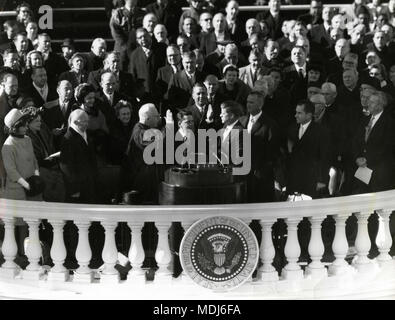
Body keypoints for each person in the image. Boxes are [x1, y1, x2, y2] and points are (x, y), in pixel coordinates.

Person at [239, 91, 279, 203]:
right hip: (243, 176)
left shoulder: (270, 124)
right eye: (247, 102)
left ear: (260, 104)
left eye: (251, 102)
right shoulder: (241, 121)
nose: (248, 105)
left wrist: (261, 170)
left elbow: (272, 152)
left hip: (261, 177)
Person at [286, 99, 331, 198]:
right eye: (296, 112)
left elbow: (325, 157)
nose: (295, 115)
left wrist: (321, 180)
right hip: (294, 180)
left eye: (299, 113)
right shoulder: (291, 129)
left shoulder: (321, 132)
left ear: (309, 114)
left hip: (312, 180)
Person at [22, 107, 66, 203]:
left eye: (40, 120)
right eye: (36, 121)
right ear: (28, 123)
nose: (40, 123)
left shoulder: (42, 131)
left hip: (52, 169)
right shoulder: (26, 138)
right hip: (41, 173)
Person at [60, 109, 98, 204]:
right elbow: (66, 166)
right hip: (78, 188)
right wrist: (74, 189)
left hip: (88, 183)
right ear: (76, 122)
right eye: (85, 121)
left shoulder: (84, 133)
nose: (87, 124)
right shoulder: (68, 139)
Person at [128, 28, 167, 97]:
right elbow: (133, 75)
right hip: (144, 94)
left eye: (145, 36)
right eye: (140, 38)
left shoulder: (162, 48)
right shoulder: (134, 54)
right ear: (137, 41)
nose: (143, 39)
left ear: (149, 36)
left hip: (161, 91)